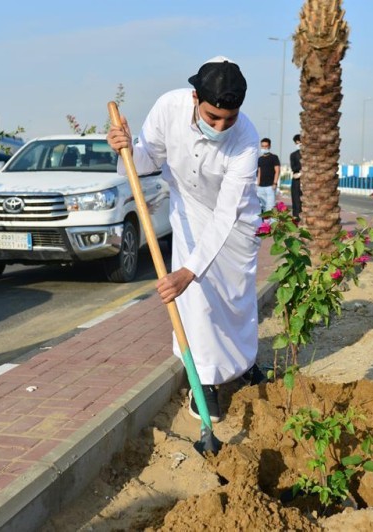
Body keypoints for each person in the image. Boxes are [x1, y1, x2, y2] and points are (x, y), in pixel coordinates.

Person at [106, 56, 262, 422]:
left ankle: (242, 364)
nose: (221, 127)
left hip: (234, 220)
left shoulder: (246, 139)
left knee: (235, 300)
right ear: (195, 98)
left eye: (229, 119)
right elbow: (144, 162)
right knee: (199, 301)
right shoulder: (168, 108)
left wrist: (187, 271)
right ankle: (204, 380)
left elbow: (226, 213)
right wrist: (124, 147)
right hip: (189, 209)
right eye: (213, 117)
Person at [256, 137, 280, 213]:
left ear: (269, 146)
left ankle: (272, 221)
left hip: (270, 186)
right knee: (262, 207)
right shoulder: (260, 159)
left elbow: (277, 171)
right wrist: (258, 184)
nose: (264, 148)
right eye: (262, 146)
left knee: (270, 207)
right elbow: (259, 172)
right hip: (261, 187)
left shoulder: (274, 157)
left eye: (266, 146)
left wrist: (275, 183)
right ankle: (264, 221)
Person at [289, 134, 302, 220]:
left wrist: (301, 173)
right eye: (297, 143)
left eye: (300, 142)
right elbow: (294, 168)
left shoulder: (310, 155)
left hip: (307, 181)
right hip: (296, 182)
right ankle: (296, 220)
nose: (299, 145)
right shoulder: (293, 155)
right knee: (296, 202)